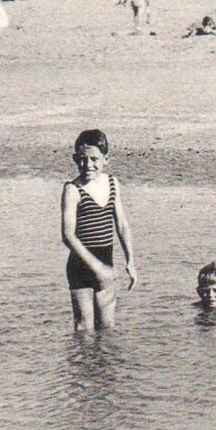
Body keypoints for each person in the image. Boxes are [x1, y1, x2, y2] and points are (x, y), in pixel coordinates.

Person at [61, 129, 138, 331]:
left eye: (94, 159)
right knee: (84, 328)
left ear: (106, 159)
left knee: (107, 327)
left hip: (106, 259)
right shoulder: (72, 189)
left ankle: (104, 363)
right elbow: (68, 236)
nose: (88, 165)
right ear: (75, 158)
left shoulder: (112, 183)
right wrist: (96, 267)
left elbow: (121, 224)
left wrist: (130, 260)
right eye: (82, 159)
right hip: (81, 263)